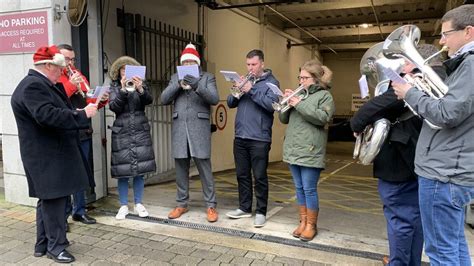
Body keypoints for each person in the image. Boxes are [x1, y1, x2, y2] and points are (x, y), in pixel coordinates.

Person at [392, 4, 474, 265]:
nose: (441, 41)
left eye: (446, 34)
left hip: (444, 171)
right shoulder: (464, 65)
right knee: (455, 245)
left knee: (440, 252)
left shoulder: (470, 65)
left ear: (468, 32)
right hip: (451, 168)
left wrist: (410, 93)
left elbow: (448, 113)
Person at [351, 44, 446, 265]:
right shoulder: (446, 79)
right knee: (414, 220)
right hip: (420, 161)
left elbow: (367, 113)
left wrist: (358, 123)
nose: (401, 66)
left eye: (404, 60)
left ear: (414, 62)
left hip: (400, 162)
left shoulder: (418, 80)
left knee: (400, 220)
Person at [10, 45, 98, 263]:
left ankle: (43, 245)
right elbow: (47, 116)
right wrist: (82, 115)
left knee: (48, 200)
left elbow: (57, 112)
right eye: (60, 67)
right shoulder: (33, 86)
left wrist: (78, 111)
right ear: (48, 65)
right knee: (54, 202)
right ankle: (56, 247)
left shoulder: (41, 84)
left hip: (50, 154)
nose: (63, 71)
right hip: (46, 155)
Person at [161, 44, 220, 222]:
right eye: (184, 62)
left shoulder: (207, 77)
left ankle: (211, 206)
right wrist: (177, 85)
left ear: (197, 63)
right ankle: (181, 204)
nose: (187, 64)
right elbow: (164, 99)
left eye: (190, 62)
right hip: (180, 128)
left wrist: (197, 86)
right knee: (180, 168)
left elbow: (214, 99)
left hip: (199, 128)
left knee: (204, 168)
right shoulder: (174, 78)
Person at [278, 60, 335, 241]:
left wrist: (299, 103)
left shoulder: (325, 96)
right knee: (299, 188)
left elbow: (322, 118)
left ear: (316, 79)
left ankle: (311, 225)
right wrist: (285, 102)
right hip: (294, 148)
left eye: (305, 78)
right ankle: (302, 222)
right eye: (300, 77)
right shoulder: (299, 94)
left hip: (310, 150)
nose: (301, 81)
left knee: (309, 189)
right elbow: (283, 119)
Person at [225, 49, 280, 227]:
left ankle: (261, 211)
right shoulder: (245, 81)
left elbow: (271, 106)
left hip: (259, 138)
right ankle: (244, 208)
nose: (250, 68)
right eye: (248, 64)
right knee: (242, 175)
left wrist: (251, 89)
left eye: (254, 64)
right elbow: (230, 102)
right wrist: (238, 88)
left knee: (259, 176)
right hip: (240, 135)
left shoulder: (272, 83)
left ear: (262, 64)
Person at [57, 44, 108, 226]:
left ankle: (79, 210)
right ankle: (62, 215)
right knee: (64, 175)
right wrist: (72, 84)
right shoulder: (55, 77)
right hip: (66, 132)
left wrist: (101, 100)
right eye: (67, 59)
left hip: (83, 131)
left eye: (72, 59)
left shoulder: (77, 74)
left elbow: (88, 99)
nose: (70, 63)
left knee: (81, 173)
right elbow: (58, 99)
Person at [108, 56, 156, 220]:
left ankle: (138, 203)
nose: (125, 72)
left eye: (129, 69)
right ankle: (123, 205)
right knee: (123, 171)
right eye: (123, 69)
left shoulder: (140, 84)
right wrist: (122, 90)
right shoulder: (114, 86)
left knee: (139, 171)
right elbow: (114, 106)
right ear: (118, 72)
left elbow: (149, 100)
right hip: (122, 131)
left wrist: (140, 89)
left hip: (140, 130)